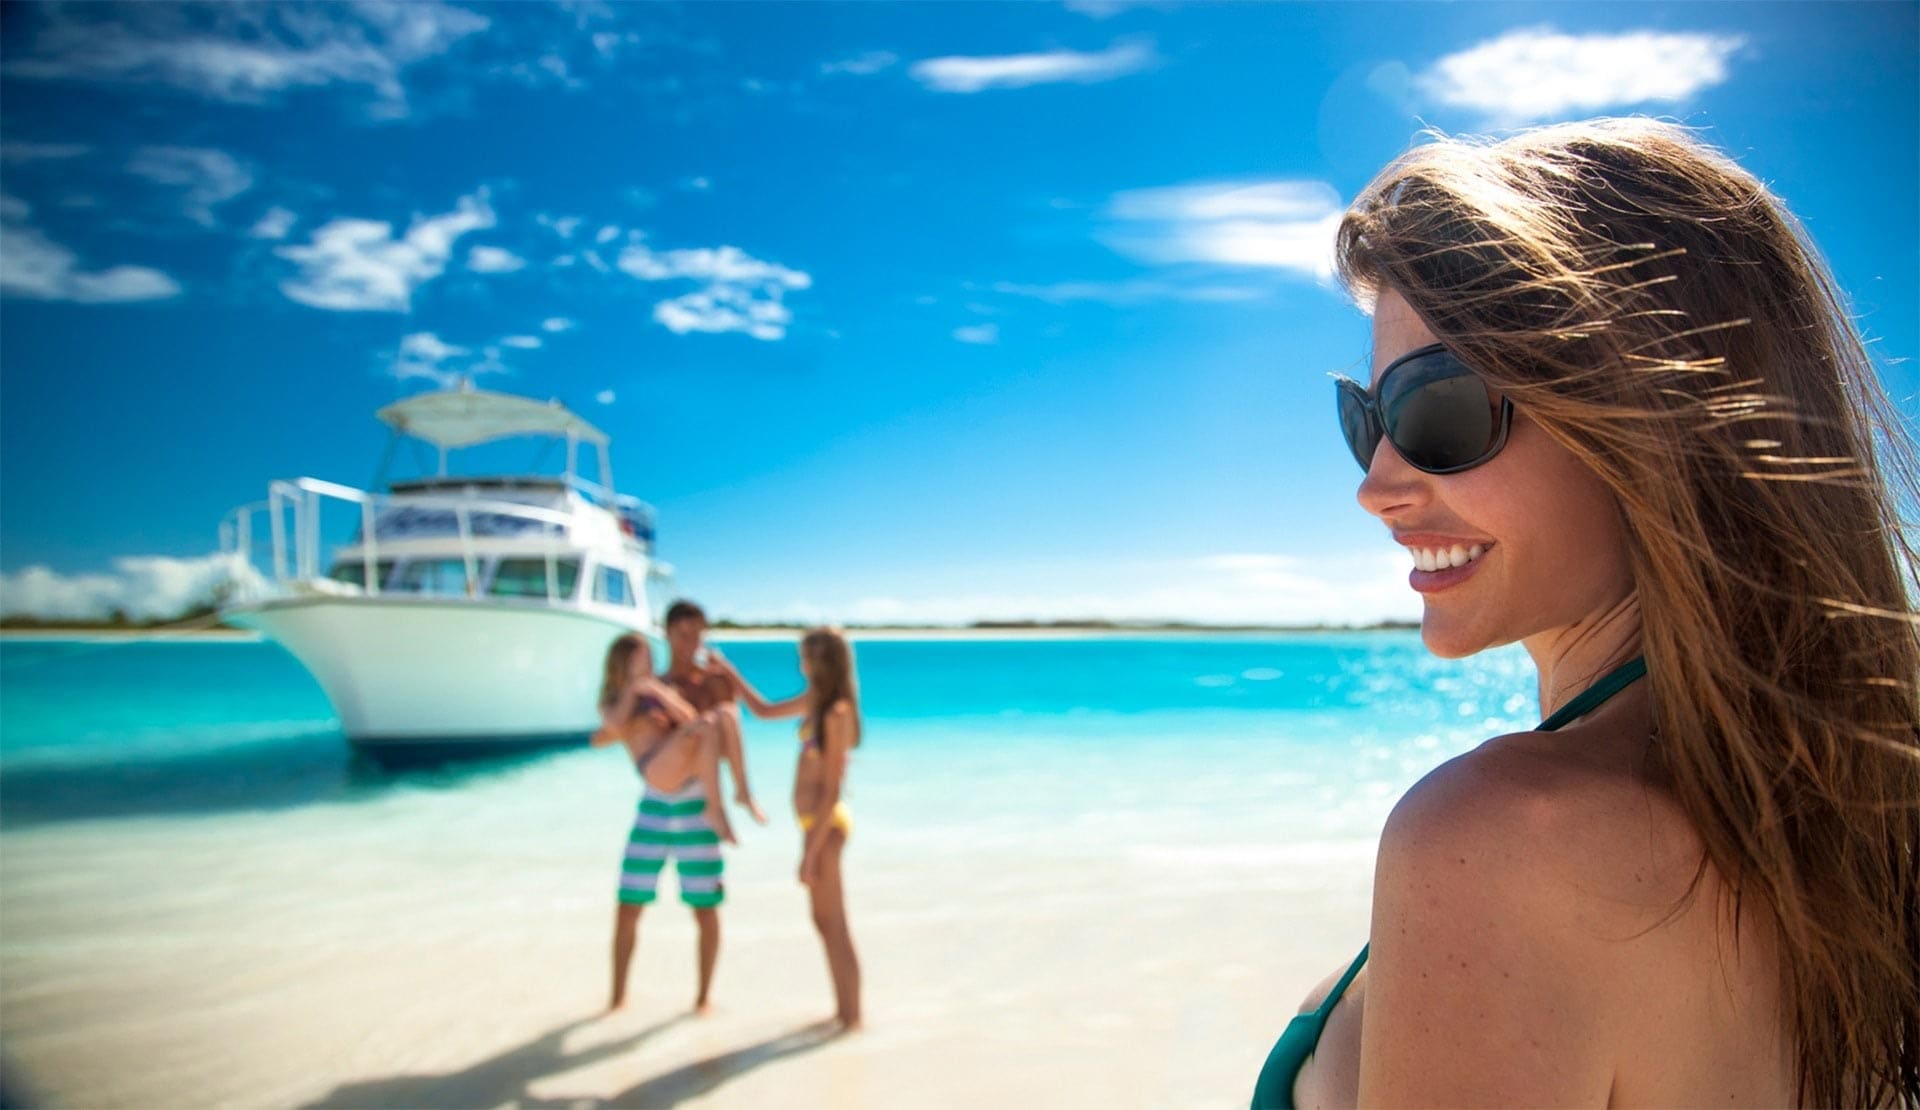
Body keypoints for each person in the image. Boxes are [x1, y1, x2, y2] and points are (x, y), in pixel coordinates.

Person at [1254, 118, 1918, 1108]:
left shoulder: (1500, 842)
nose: (1378, 484)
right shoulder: (1859, 825)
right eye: (1369, 418)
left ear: (1655, 426)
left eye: (1437, 409)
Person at [712, 628, 864, 1031]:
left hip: (826, 827)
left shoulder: (837, 714)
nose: (802, 664)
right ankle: (843, 1013)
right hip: (813, 826)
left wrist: (810, 852)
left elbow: (831, 792)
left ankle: (854, 1019)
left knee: (836, 925)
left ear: (824, 662)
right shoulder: (815, 702)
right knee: (823, 922)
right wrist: (730, 673)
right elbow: (762, 711)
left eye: (807, 657)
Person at [591, 633, 737, 1015]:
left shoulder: (663, 691)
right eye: (640, 661)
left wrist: (662, 693)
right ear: (622, 664)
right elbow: (615, 725)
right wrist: (636, 690)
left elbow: (695, 724)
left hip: (691, 802)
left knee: (705, 907)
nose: (648, 667)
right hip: (653, 807)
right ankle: (617, 998)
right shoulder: (613, 701)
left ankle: (703, 999)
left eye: (649, 661)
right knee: (628, 904)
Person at [661, 599, 768, 826]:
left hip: (703, 785)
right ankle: (740, 796)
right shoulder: (659, 686)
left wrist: (726, 674)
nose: (691, 643)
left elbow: (735, 731)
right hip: (668, 782)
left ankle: (743, 792)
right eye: (683, 634)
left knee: (728, 711)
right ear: (667, 634)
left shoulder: (712, 681)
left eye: (697, 636)